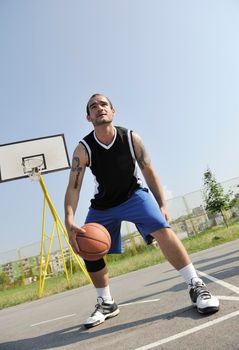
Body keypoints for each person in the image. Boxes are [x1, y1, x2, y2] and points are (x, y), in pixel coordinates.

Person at [64, 93, 219, 329]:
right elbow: (74, 187)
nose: (99, 108)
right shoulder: (83, 149)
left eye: (104, 104)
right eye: (93, 106)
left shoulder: (130, 138)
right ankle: (106, 303)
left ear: (113, 111)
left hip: (134, 195)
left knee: (162, 229)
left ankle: (196, 285)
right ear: (88, 117)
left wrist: (162, 205)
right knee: (89, 248)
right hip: (103, 204)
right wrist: (69, 219)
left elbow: (148, 170)